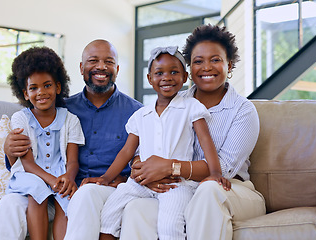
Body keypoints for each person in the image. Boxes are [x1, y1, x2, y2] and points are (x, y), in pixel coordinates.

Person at [0, 39, 143, 240]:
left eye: (108, 62)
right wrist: (9, 148)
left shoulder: (138, 113)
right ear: (82, 68)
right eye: (93, 61)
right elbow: (23, 160)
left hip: (100, 191)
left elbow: (142, 159)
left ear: (117, 68)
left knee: (84, 198)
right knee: (10, 203)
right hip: (56, 188)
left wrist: (124, 179)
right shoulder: (61, 108)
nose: (101, 66)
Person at [121, 24, 266, 240]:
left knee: (208, 190)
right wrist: (143, 170)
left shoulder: (242, 110)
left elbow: (222, 171)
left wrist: (169, 167)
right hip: (180, 189)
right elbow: (143, 149)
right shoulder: (173, 103)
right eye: (198, 61)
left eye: (215, 60)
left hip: (231, 190)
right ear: (189, 69)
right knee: (136, 209)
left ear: (230, 64)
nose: (206, 67)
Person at [89, 46, 230, 240]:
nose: (167, 77)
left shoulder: (191, 107)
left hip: (176, 185)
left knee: (170, 226)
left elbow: (206, 142)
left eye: (174, 72)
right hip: (141, 183)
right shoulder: (141, 115)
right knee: (109, 213)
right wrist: (106, 178)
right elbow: (127, 151)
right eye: (159, 73)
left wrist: (215, 173)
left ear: (185, 76)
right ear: (149, 79)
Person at [2, 46, 85, 240]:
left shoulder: (71, 120)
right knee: (36, 190)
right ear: (25, 93)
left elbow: (73, 160)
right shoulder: (20, 119)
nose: (41, 92)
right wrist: (51, 180)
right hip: (30, 173)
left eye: (47, 85)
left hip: (59, 172)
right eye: (34, 88)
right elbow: (28, 163)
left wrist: (68, 177)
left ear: (58, 87)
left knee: (66, 199)